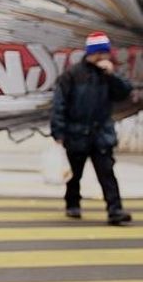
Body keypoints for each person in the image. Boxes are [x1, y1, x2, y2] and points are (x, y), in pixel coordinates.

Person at [51, 32, 133, 225]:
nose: (104, 56)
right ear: (92, 53)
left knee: (107, 173)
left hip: (101, 134)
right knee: (74, 173)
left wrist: (112, 75)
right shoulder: (72, 74)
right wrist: (58, 132)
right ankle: (72, 204)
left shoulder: (108, 74)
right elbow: (59, 104)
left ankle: (115, 210)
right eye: (101, 52)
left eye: (106, 52)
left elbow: (125, 92)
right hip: (76, 133)